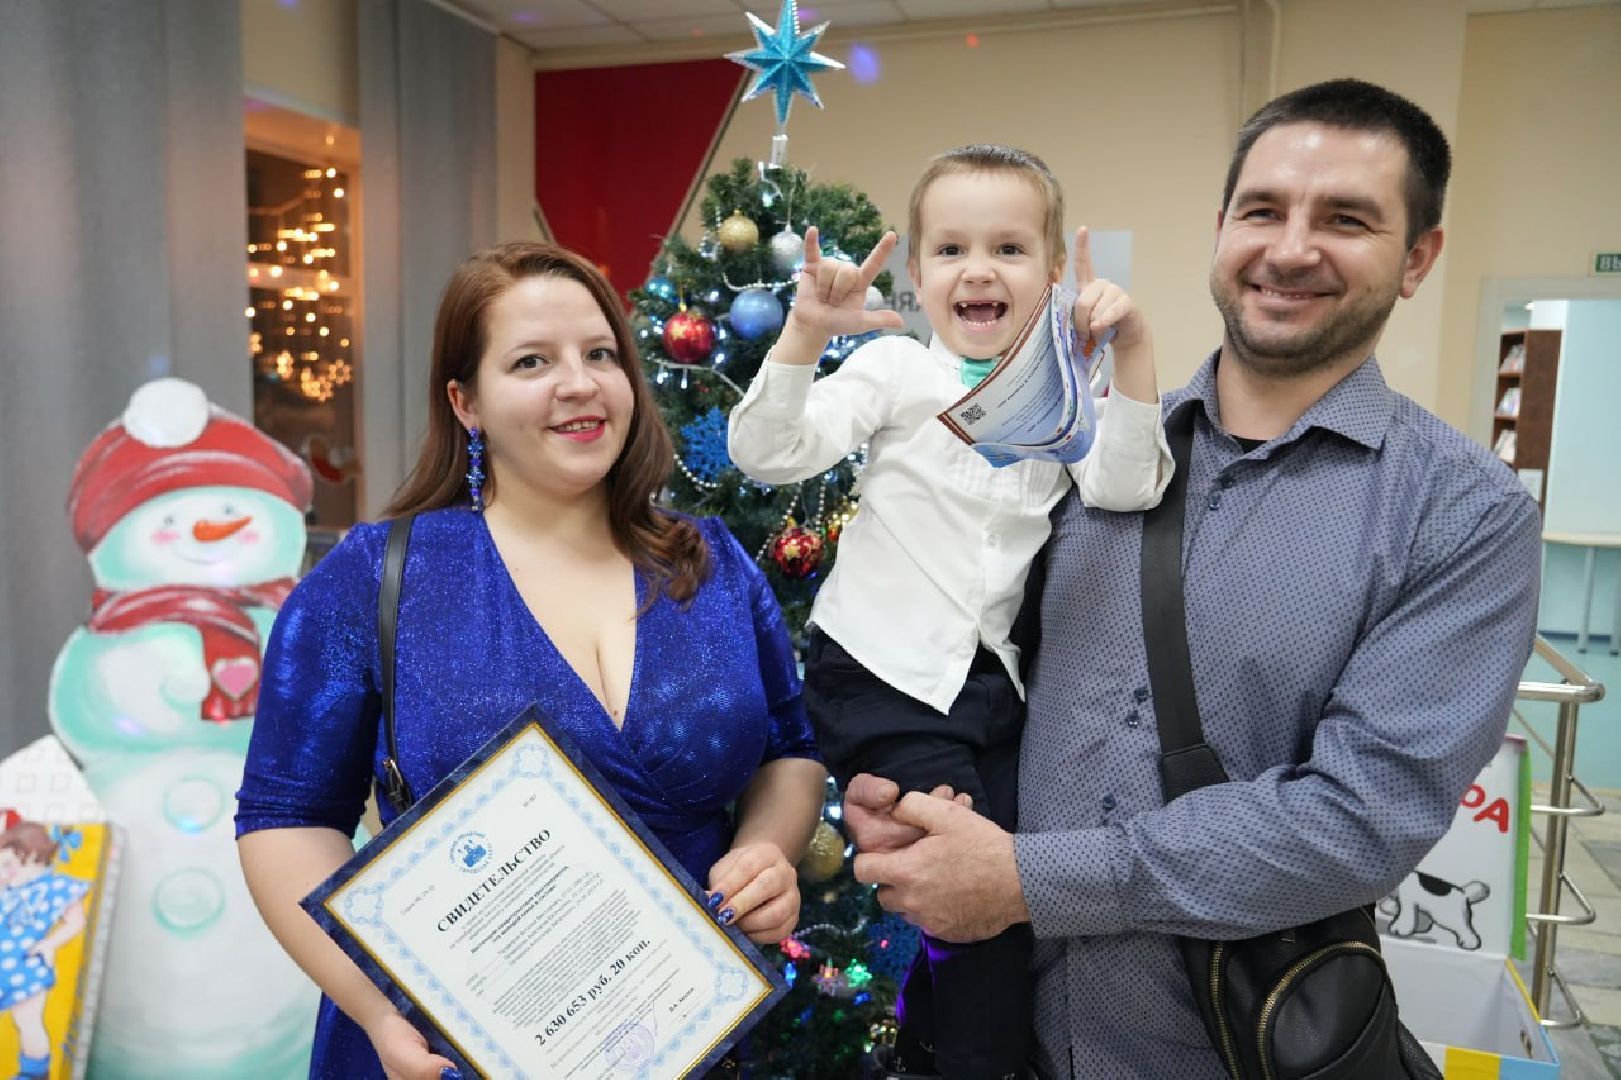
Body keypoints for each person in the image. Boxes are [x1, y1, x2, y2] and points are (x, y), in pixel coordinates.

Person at [847, 79, 1543, 1079]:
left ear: (1417, 257)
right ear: (1221, 228)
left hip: (1227, 1049)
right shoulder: (1080, 453)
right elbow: (981, 660)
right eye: (1262, 210)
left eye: (1346, 219)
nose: (1291, 248)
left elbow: (1356, 820)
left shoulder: (1461, 514)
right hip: (1009, 1039)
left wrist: (1026, 881)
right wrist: (913, 793)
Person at [236, 242, 827, 1080]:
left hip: (678, 1032)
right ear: (465, 401)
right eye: (530, 362)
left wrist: (769, 848)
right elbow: (285, 816)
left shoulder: (709, 561)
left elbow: (786, 750)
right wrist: (378, 1006)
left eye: (599, 355)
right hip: (447, 1045)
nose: (579, 384)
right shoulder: (376, 577)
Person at [728, 145, 1171, 1080]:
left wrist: (1130, 352)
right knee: (980, 903)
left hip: (988, 681)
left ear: (1052, 271)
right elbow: (768, 454)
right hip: (883, 673)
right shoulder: (894, 370)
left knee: (999, 880)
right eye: (951, 249)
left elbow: (1129, 488)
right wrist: (804, 334)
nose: (978, 269)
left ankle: (925, 1051)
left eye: (1009, 249)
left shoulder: (1064, 392)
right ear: (918, 273)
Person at [0, 823, 90, 1080]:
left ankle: (34, 1074)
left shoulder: (54, 887)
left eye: (9, 865)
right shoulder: (6, 890)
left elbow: (76, 922)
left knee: (27, 1021)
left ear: (34, 859)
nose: (4, 872)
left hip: (27, 965)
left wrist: (50, 944)